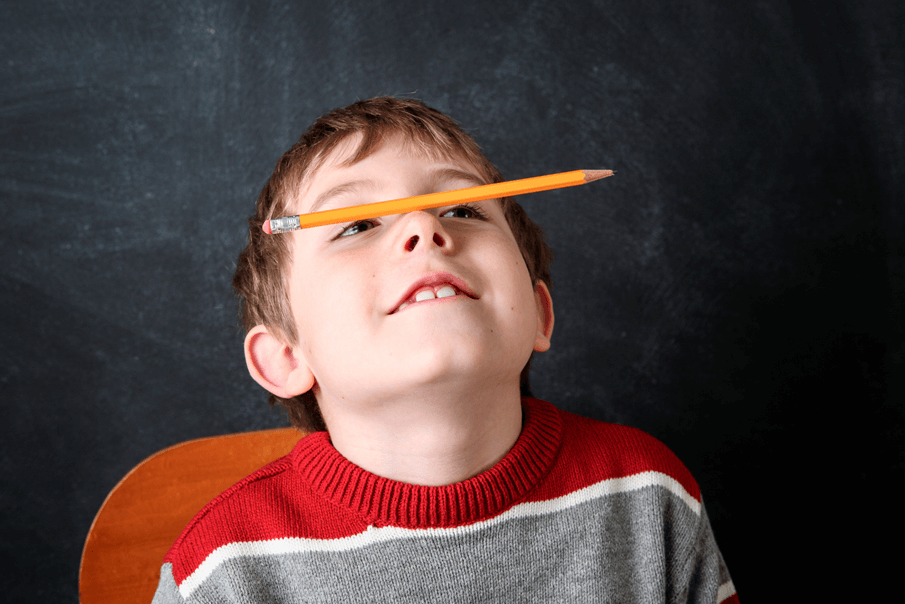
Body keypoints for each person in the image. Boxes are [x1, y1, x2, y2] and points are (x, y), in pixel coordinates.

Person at [151, 97, 738, 603]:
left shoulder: (647, 497)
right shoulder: (224, 570)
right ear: (284, 357)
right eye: (356, 224)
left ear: (538, 312)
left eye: (462, 209)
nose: (424, 228)